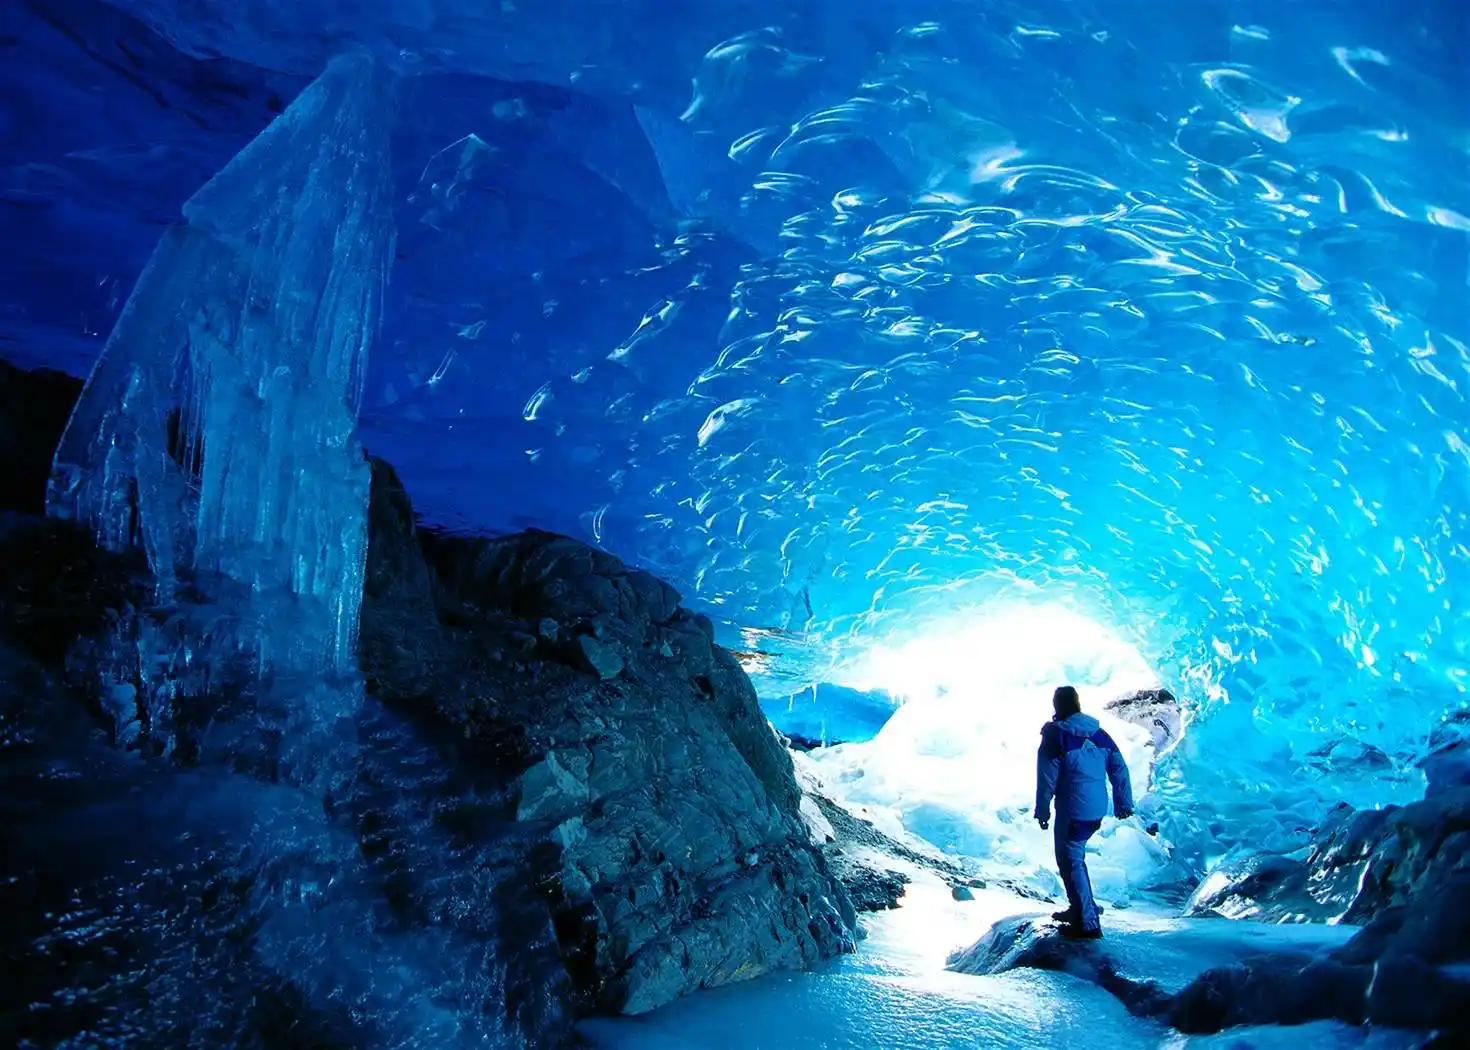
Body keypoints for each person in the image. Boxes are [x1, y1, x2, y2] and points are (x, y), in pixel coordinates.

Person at [1034, 685, 1134, 939]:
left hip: (1073, 807)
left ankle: (1087, 922)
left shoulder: (1056, 735)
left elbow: (1046, 778)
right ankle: (1080, 908)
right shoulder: (1099, 733)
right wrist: (1123, 802)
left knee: (1070, 862)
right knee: (1076, 859)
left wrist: (1042, 810)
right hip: (1097, 807)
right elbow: (1119, 768)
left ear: (1057, 705)